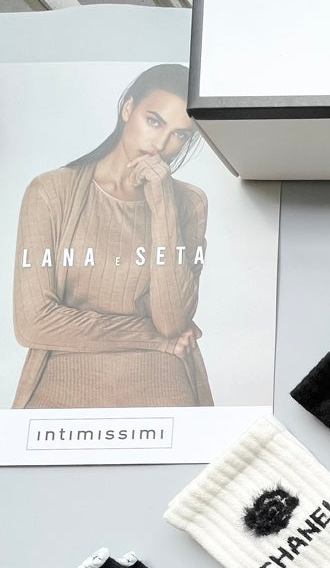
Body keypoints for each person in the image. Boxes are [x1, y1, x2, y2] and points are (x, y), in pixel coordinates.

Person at [12, 63, 212, 409]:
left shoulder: (189, 202)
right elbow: (33, 323)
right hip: (61, 387)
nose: (161, 144)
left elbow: (171, 322)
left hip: (162, 384)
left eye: (180, 135)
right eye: (154, 121)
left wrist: (162, 203)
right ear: (128, 108)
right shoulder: (50, 191)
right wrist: (150, 336)